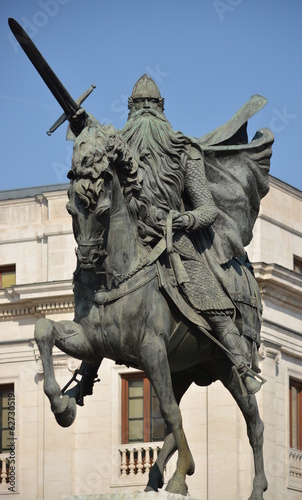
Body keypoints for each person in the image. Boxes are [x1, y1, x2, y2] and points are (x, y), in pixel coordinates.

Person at [67, 75, 269, 396]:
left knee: (205, 291)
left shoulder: (184, 151)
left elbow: (208, 210)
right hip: (129, 238)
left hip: (174, 240)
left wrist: (184, 219)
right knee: (96, 290)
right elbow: (97, 143)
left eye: (150, 106)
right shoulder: (121, 146)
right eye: (139, 107)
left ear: (161, 111)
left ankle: (240, 362)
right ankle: (86, 376)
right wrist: (81, 122)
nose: (145, 113)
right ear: (131, 111)